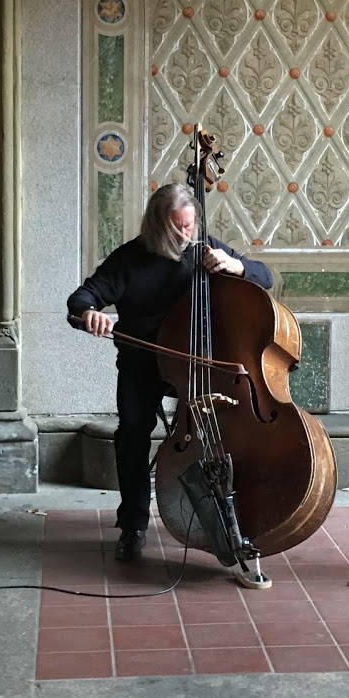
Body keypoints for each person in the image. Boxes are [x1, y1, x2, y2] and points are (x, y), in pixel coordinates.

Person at [67, 182, 273, 563]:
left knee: (227, 430)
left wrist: (237, 266)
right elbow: (82, 297)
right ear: (157, 225)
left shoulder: (204, 249)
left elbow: (266, 277)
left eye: (190, 225)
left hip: (199, 364)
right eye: (178, 228)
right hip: (143, 363)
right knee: (131, 434)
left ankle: (234, 515)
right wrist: (90, 313)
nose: (186, 235)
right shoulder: (130, 258)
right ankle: (133, 524)